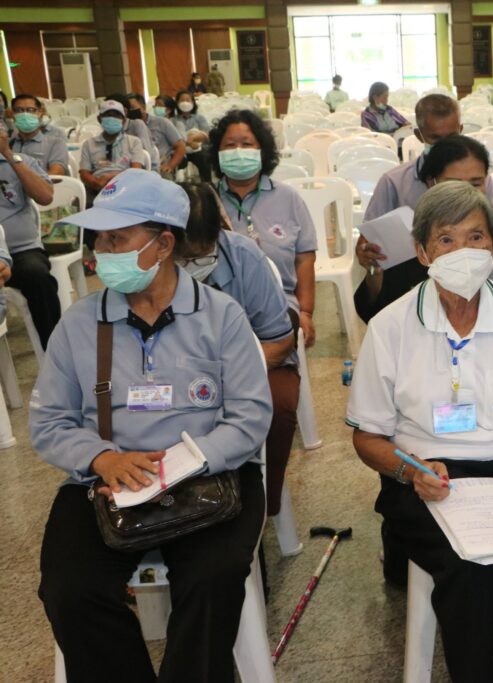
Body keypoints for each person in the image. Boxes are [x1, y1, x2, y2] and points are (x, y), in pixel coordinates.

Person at [33, 169, 272, 682]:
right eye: (98, 240)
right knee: (70, 590)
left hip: (210, 476)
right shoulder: (79, 324)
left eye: (116, 239)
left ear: (163, 244)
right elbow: (49, 421)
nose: (100, 254)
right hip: (106, 481)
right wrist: (103, 459)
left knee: (213, 578)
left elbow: (250, 416)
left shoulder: (221, 316)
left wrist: (185, 463)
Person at [347, 181, 493, 682]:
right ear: (422, 251)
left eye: (476, 237)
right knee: (470, 569)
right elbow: (367, 437)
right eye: (446, 239)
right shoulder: (390, 326)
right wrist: (409, 471)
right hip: (431, 472)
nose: (463, 251)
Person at [177, 181, 298, 518]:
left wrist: (231, 381)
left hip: (253, 366)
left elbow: (279, 340)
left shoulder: (244, 257)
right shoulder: (150, 268)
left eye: (202, 256)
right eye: (183, 258)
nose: (192, 265)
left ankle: (258, 506)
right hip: (176, 373)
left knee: (278, 405)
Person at [355, 135, 493, 321]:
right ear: (431, 183)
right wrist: (374, 273)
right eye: (454, 183)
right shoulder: (411, 242)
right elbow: (375, 312)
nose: (466, 192)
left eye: (476, 183)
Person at [210, 109, 318, 347]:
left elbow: (305, 259)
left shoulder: (288, 198)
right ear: (217, 152)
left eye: (247, 144)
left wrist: (306, 312)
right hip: (217, 306)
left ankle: (257, 367)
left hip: (280, 302)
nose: (238, 151)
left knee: (277, 336)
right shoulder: (205, 200)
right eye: (230, 145)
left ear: (262, 150)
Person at [363, 94, 493, 223]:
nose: (445, 145)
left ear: (460, 131)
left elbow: (492, 227)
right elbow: (371, 233)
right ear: (419, 135)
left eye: (452, 137)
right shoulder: (393, 182)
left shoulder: (478, 179)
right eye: (435, 138)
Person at [0, 120, 61, 350]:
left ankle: (56, 350)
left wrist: (8, 155)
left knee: (37, 276)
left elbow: (45, 196)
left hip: (21, 251)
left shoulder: (21, 161)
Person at [79, 100, 147, 196]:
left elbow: (136, 171)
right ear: (99, 119)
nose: (112, 119)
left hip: (126, 187)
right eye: (108, 115)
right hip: (96, 188)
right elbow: (84, 173)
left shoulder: (134, 142)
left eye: (116, 116)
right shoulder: (89, 144)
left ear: (123, 121)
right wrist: (95, 183)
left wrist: (109, 178)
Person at [6, 93, 70, 175]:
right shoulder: (9, 144)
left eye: (31, 110)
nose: (25, 114)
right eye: (19, 110)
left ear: (40, 113)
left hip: (44, 183)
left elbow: (57, 172)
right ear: (12, 114)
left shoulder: (56, 143)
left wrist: (26, 181)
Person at [127, 93, 186, 176]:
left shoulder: (162, 122)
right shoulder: (128, 127)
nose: (130, 111)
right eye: (128, 109)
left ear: (143, 107)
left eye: (132, 108)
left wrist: (170, 166)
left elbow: (181, 146)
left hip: (160, 167)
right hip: (135, 168)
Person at [171, 90, 212, 182]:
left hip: (197, 150)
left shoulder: (199, 118)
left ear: (193, 102)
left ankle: (207, 184)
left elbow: (205, 135)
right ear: (177, 103)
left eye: (188, 100)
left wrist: (190, 138)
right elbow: (173, 138)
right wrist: (189, 142)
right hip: (180, 150)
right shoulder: (173, 120)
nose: (185, 102)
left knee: (204, 157)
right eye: (182, 100)